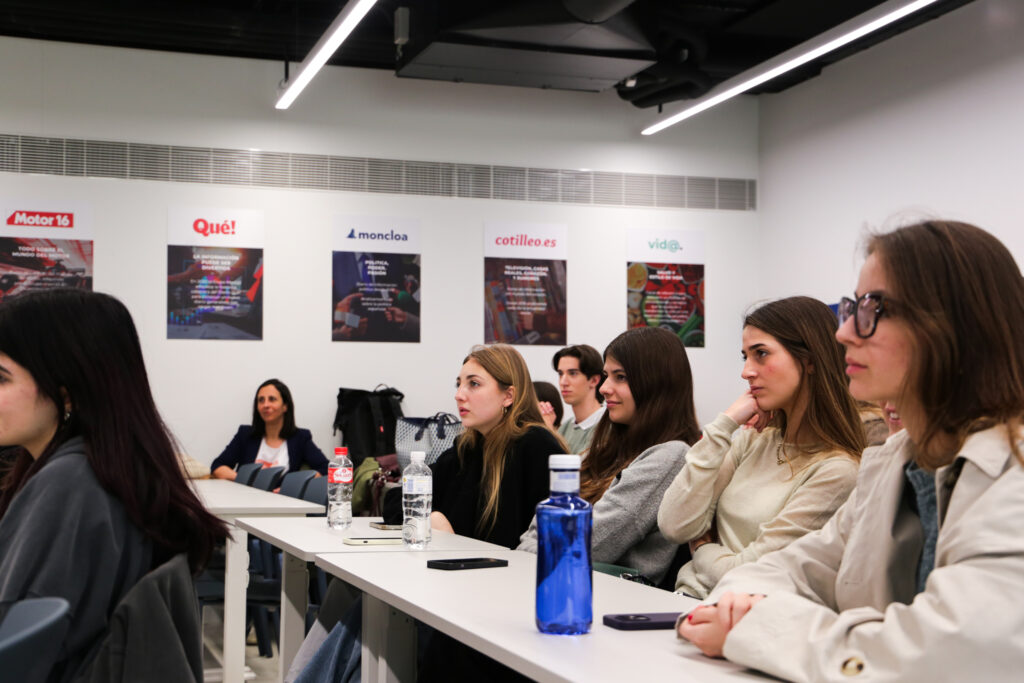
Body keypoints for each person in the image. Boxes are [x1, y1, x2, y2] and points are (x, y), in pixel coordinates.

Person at [678, 220, 1024, 681]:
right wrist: (735, 605)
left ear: (951, 326)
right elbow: (797, 566)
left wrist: (753, 627)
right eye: (850, 308)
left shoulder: (1013, 471)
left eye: (871, 309)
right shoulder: (897, 461)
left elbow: (947, 653)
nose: (843, 332)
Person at [290, 344, 565, 683]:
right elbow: (396, 502)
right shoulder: (468, 448)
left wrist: (441, 526)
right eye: (458, 383)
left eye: (473, 384)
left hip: (499, 605)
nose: (459, 395)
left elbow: (542, 547)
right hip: (451, 587)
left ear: (509, 395)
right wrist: (433, 520)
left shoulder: (536, 447)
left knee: (370, 612)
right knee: (354, 596)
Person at [0, 289, 228, 682]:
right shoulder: (108, 472)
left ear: (66, 391)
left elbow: (16, 647)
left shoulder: (68, 487)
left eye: (1, 378)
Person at [658, 296, 864, 598]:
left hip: (735, 619)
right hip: (681, 604)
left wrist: (701, 548)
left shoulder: (837, 471)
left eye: (761, 354)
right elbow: (675, 525)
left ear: (809, 360)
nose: (747, 371)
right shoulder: (753, 439)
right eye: (746, 357)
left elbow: (747, 575)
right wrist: (725, 424)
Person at [519, 327, 700, 585]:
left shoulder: (671, 455)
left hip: (611, 603)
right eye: (606, 376)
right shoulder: (605, 449)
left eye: (620, 377)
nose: (604, 388)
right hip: (563, 581)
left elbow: (591, 542)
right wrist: (530, 554)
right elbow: (546, 516)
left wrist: (527, 557)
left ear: (657, 382)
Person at [210, 378, 329, 479]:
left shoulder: (300, 438)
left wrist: (294, 486)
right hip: (245, 499)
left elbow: (326, 468)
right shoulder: (245, 434)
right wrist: (244, 481)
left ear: (285, 406)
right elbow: (218, 466)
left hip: (283, 502)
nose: (265, 405)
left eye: (272, 399)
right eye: (261, 400)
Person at [541, 344, 605, 454]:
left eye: (573, 373)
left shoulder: (607, 425)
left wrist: (549, 434)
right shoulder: (565, 427)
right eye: (560, 374)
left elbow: (583, 467)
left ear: (594, 380)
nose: (563, 382)